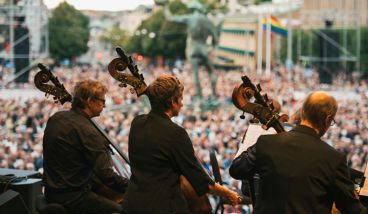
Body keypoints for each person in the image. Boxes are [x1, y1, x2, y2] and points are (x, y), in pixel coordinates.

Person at [229, 91, 367, 214]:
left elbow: (236, 170)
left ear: (303, 113)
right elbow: (351, 208)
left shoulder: (266, 143)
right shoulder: (334, 158)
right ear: (328, 120)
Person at [123, 74, 240, 213]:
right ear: (173, 101)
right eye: (181, 98)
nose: (182, 103)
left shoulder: (137, 122)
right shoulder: (175, 133)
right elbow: (200, 181)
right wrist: (227, 193)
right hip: (163, 207)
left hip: (133, 204)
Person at [43, 80, 129, 214]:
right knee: (122, 210)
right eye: (102, 101)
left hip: (51, 191)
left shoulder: (56, 118)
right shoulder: (88, 131)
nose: (104, 106)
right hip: (74, 196)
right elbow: (107, 176)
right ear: (89, 101)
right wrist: (135, 185)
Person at [163, 0, 220, 98]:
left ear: (193, 9)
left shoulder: (189, 18)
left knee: (195, 73)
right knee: (211, 72)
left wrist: (165, 5)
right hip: (204, 48)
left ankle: (199, 95)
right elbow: (215, 38)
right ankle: (214, 94)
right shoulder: (208, 21)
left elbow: (170, 17)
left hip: (193, 48)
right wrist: (212, 48)